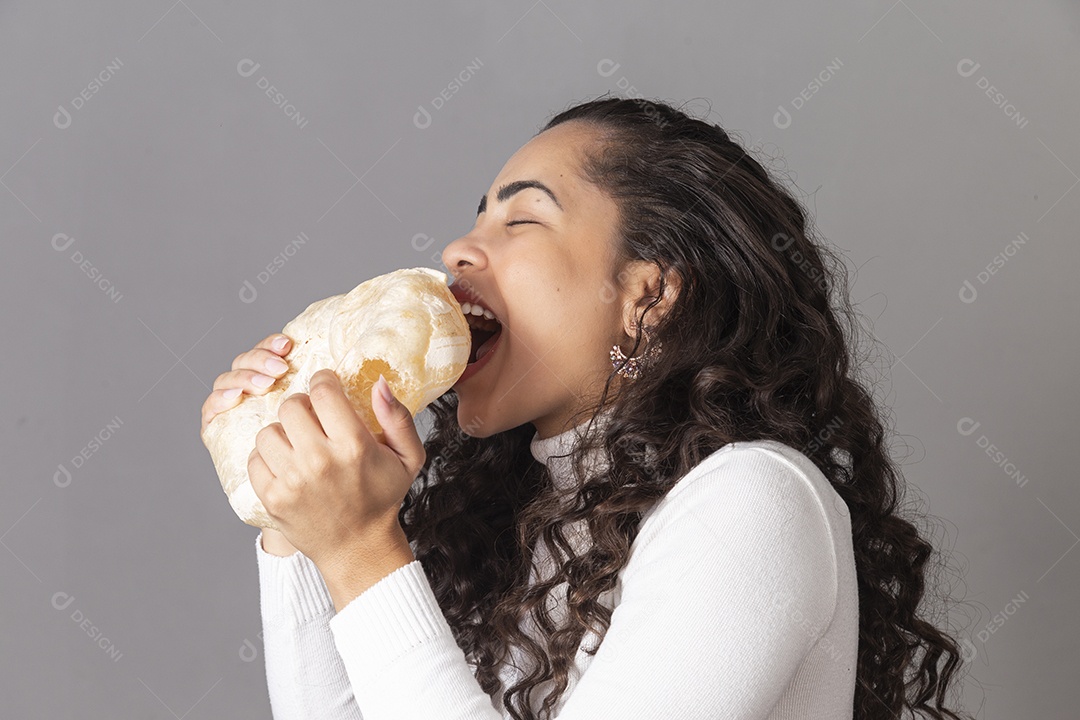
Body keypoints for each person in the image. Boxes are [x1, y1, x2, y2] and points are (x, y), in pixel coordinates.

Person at [200, 96, 972, 720]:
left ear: (649, 293)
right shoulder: (514, 522)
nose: (457, 252)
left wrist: (362, 550)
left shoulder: (754, 500)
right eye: (475, 219)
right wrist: (294, 520)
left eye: (521, 218)